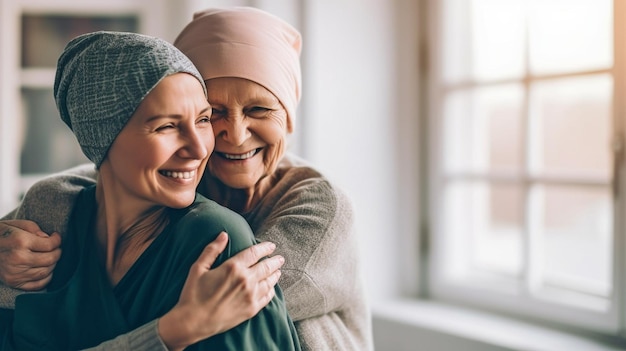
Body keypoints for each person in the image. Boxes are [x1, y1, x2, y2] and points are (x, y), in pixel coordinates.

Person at [0, 6, 373, 351]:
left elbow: (231, 302)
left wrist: (179, 326)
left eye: (259, 109)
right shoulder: (92, 195)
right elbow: (106, 175)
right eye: (212, 113)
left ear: (289, 118)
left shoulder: (316, 210)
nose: (236, 134)